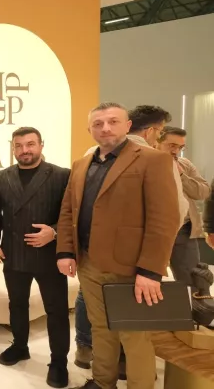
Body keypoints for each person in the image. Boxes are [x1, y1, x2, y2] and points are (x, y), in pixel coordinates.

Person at [57, 102, 179, 389]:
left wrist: (150, 270)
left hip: (131, 267)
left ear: (127, 126)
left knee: (134, 335)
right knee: (101, 328)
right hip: (89, 263)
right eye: (98, 124)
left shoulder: (152, 160)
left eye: (113, 121)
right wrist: (65, 251)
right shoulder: (81, 165)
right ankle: (103, 382)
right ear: (89, 129)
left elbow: (164, 220)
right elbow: (68, 211)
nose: (105, 128)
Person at [0, 127, 71, 388]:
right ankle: (20, 346)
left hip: (49, 256)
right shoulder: (2, 176)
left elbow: (71, 215)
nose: (25, 150)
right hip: (14, 253)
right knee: (17, 304)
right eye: (19, 145)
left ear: (41, 145)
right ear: (13, 148)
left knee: (56, 311)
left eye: (30, 144)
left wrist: (53, 232)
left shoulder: (61, 175)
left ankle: (59, 362)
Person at [156, 126, 211, 285]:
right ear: (157, 141)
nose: (176, 151)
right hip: (155, 229)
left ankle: (192, 302)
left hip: (184, 229)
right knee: (149, 279)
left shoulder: (184, 164)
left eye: (180, 147)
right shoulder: (145, 164)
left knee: (193, 279)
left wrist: (180, 174)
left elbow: (203, 192)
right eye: (172, 145)